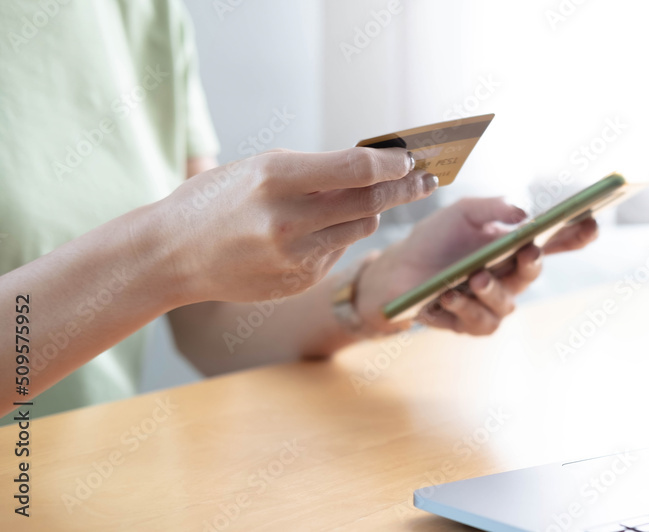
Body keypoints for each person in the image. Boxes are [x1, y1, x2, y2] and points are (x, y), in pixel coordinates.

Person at [0, 1, 597, 421]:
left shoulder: (141, 14)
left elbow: (210, 327)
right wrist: (163, 253)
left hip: (79, 479)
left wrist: (383, 286)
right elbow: (172, 264)